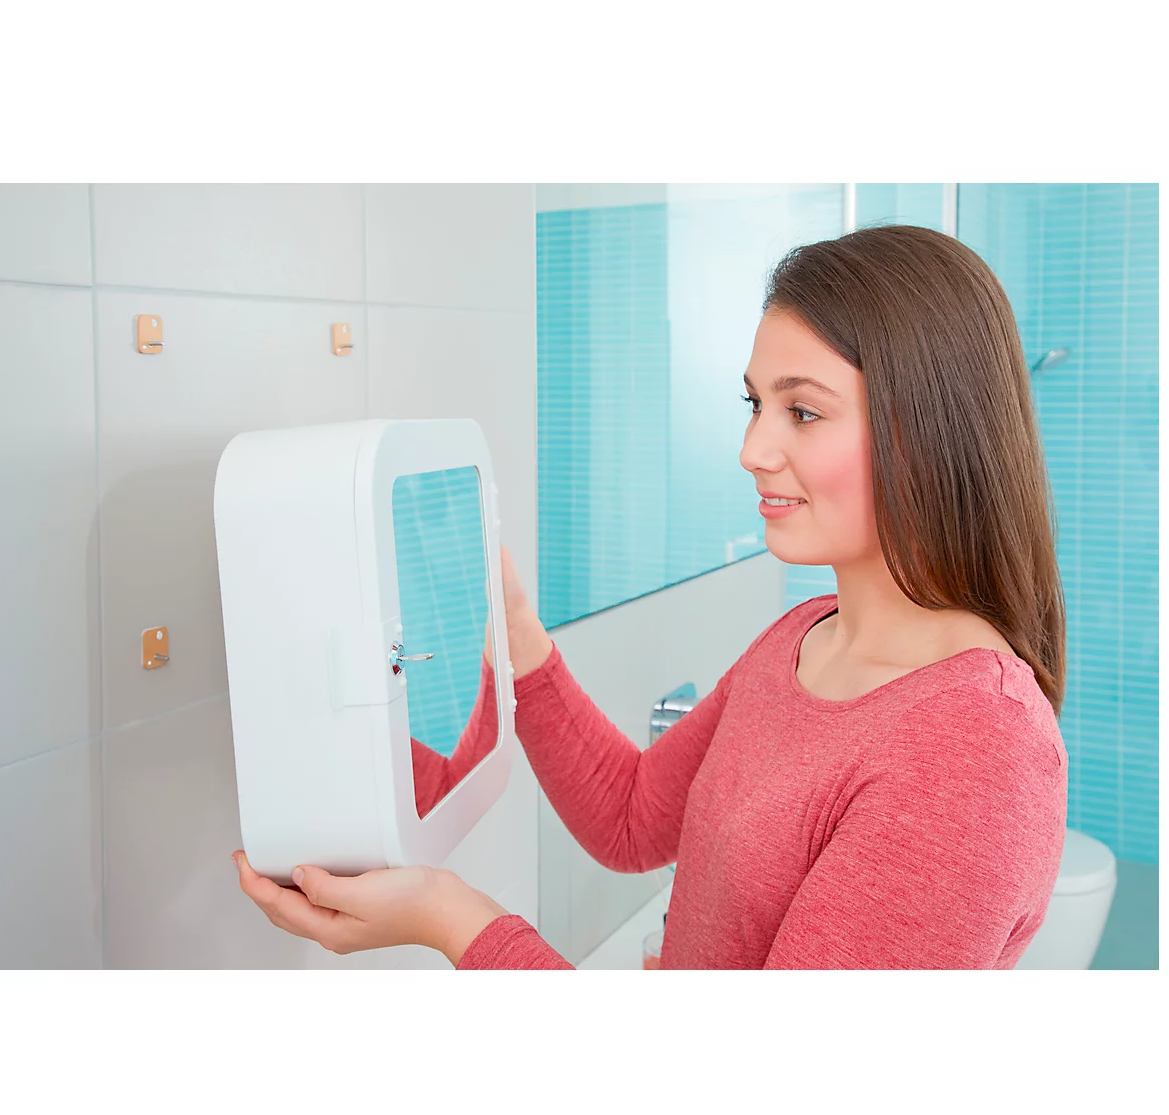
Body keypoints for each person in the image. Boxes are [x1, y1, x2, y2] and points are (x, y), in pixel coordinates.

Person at [235, 223, 1069, 969]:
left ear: (929, 428)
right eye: (754, 403)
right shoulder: (807, 636)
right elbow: (632, 818)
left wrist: (453, 920)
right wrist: (517, 630)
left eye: (803, 413)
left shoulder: (973, 749)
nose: (752, 448)